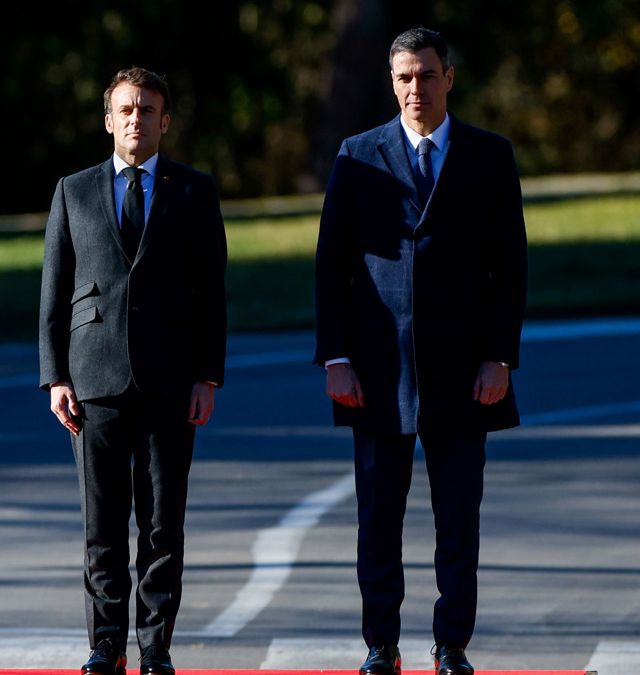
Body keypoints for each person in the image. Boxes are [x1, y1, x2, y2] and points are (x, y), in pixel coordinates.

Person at [314, 27, 528, 675]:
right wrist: (336, 357)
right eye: (405, 77)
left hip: (465, 372)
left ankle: (450, 645)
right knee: (378, 521)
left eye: (427, 75)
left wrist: (500, 356)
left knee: (457, 521)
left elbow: (509, 266)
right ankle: (381, 643)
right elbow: (332, 265)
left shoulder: (489, 155)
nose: (416, 88)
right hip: (375, 373)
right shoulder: (358, 155)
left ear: (449, 78)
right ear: (392, 82)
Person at [39, 67, 227, 675]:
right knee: (102, 525)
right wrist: (55, 377)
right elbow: (54, 291)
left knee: (162, 523)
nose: (136, 119)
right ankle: (105, 645)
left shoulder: (194, 191)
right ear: (108, 119)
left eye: (147, 110)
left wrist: (208, 375)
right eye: (125, 110)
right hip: (93, 380)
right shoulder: (74, 190)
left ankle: (155, 649)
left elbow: (212, 293)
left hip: (171, 380)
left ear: (164, 121)